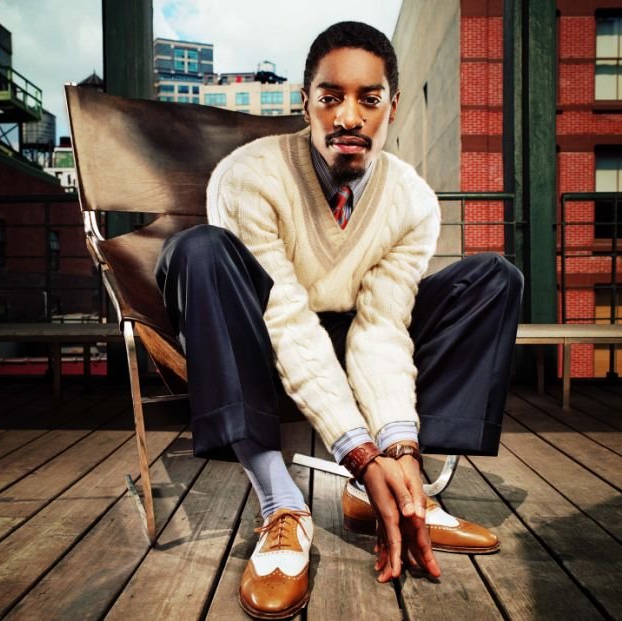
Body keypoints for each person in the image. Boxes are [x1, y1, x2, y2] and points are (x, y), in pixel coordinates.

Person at [155, 21, 523, 620]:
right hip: (259, 334)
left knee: (494, 278)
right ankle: (281, 505)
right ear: (306, 104)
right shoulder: (249, 175)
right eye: (330, 98)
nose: (348, 117)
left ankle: (402, 492)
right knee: (199, 249)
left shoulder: (411, 200)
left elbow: (381, 329)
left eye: (368, 99)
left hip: (348, 331)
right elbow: (285, 321)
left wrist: (396, 448)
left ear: (392, 107)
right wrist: (359, 451)